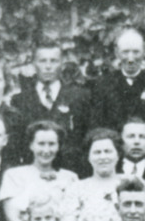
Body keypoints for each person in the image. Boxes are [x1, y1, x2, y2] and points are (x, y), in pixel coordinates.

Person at [60, 128, 145, 221]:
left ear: (118, 154)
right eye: (97, 152)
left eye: (108, 151)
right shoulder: (76, 188)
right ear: (88, 156)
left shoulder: (134, 181)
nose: (103, 157)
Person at [11, 40, 92, 173]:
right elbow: (17, 144)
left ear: (62, 63)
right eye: (42, 61)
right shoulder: (20, 100)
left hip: (71, 171)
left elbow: (86, 138)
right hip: (33, 173)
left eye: (53, 61)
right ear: (34, 63)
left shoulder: (80, 96)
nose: (48, 66)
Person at [0, 121, 79, 221]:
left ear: (58, 146)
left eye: (51, 144)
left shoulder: (70, 178)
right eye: (41, 144)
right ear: (31, 145)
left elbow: (73, 220)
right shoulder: (14, 175)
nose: (46, 150)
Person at [92, 28, 145, 151]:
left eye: (136, 52)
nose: (131, 58)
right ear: (117, 53)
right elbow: (98, 126)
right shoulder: (103, 85)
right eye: (125, 52)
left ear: (144, 52)